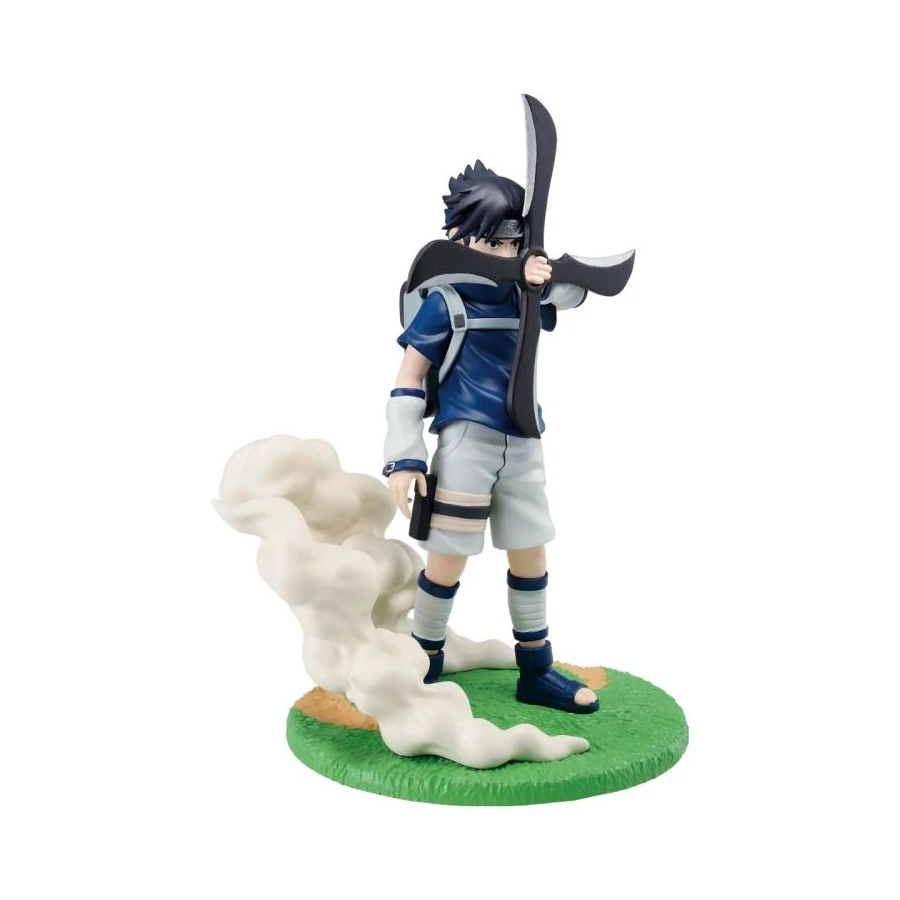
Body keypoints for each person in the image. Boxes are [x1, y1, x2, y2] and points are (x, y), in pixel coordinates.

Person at [383, 161, 598, 713]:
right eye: (491, 242)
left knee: (530, 552)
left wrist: (542, 272)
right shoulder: (446, 302)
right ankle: (423, 662)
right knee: (447, 557)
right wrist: (405, 457)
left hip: (523, 440)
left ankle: (536, 668)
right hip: (465, 442)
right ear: (462, 239)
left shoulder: (525, 296)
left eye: (512, 242)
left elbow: (577, 291)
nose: (504, 253)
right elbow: (409, 378)